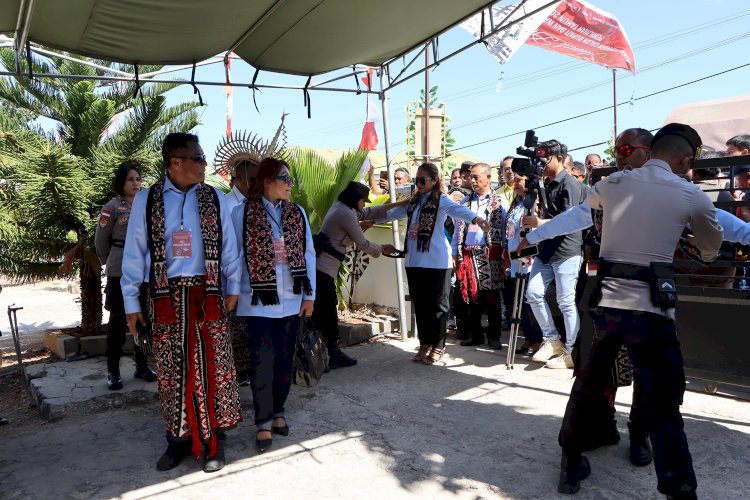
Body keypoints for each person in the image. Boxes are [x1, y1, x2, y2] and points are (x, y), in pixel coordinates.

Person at [520, 123, 723, 498]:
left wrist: (532, 235)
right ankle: (679, 490)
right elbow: (710, 249)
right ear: (686, 160)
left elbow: (580, 216)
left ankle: (571, 464)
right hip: (652, 313)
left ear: (648, 151)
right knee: (664, 405)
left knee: (586, 387)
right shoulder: (690, 195)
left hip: (606, 309)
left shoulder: (609, 186)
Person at [122, 133, 242, 473]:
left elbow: (229, 248)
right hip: (165, 298)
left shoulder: (214, 198)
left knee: (213, 369)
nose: (205, 165)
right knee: (173, 372)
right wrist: (131, 303)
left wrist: (232, 289)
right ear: (176, 161)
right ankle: (177, 442)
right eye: (199, 158)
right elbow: (135, 254)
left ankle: (213, 442)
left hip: (209, 296)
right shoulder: (147, 199)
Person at [232, 157, 315, 454]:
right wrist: (231, 292)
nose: (290, 185)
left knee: (283, 361)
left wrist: (310, 296)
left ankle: (278, 410)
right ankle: (263, 422)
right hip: (257, 301)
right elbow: (234, 257)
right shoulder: (241, 214)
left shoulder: (297, 213)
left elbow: (308, 254)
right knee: (261, 361)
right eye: (285, 179)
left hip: (292, 299)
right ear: (267, 180)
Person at [383, 162, 490, 364]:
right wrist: (369, 218)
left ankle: (438, 345)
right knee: (421, 305)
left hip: (437, 262)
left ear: (434, 181)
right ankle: (425, 343)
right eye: (417, 180)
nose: (419, 184)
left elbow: (460, 211)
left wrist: (477, 220)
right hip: (414, 260)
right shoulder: (413, 202)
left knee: (438, 307)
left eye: (423, 180)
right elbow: (391, 214)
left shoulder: (442, 200)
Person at [313, 181, 401, 369]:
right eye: (363, 200)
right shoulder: (345, 213)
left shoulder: (344, 209)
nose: (364, 204)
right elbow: (363, 244)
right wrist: (384, 248)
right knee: (326, 313)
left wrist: (399, 204)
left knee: (325, 312)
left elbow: (370, 213)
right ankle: (329, 354)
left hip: (325, 267)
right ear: (356, 199)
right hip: (323, 268)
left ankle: (326, 353)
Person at [522, 139, 586, 369]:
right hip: (545, 250)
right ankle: (552, 339)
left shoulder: (570, 184)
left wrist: (539, 222)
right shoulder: (544, 183)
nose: (540, 163)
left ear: (559, 158)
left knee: (566, 301)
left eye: (545, 158)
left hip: (567, 249)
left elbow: (572, 221)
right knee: (533, 294)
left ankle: (572, 351)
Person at [95, 163, 157, 391]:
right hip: (120, 269)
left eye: (138, 179)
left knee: (143, 321)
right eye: (131, 179)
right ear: (121, 182)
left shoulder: (146, 205)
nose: (136, 183)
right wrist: (109, 262)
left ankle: (142, 366)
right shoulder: (112, 207)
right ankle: (113, 370)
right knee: (118, 322)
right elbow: (100, 241)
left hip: (144, 271)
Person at [452, 163, 506, 350]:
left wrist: (503, 256)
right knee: (471, 297)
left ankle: (494, 336)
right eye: (471, 177)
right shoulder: (465, 202)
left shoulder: (499, 202)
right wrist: (455, 253)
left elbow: (505, 232)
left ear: (488, 178)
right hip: (468, 254)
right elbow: (457, 229)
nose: (473, 181)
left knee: (491, 298)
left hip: (490, 254)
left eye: (477, 177)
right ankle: (476, 335)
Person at [224, 158, 261, 387]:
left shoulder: (257, 204)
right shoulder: (227, 205)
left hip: (254, 278)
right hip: (233, 278)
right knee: (236, 327)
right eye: (252, 178)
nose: (255, 183)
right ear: (239, 177)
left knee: (250, 327)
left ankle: (249, 368)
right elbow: (228, 250)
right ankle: (237, 371)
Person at [503, 172, 543, 356]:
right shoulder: (516, 203)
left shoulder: (535, 201)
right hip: (514, 258)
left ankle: (538, 340)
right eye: (516, 180)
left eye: (520, 180)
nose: (516, 183)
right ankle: (528, 338)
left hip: (530, 257)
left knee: (528, 300)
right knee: (516, 302)